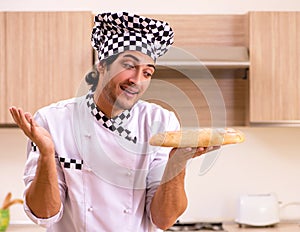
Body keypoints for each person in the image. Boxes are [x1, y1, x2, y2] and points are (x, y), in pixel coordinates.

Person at [9, 12, 219, 231]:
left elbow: (163, 220)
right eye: (129, 65)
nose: (137, 81)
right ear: (102, 65)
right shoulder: (53, 121)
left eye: (147, 73)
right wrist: (46, 155)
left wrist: (177, 163)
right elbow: (44, 215)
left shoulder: (161, 123)